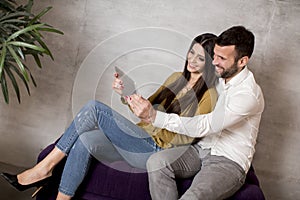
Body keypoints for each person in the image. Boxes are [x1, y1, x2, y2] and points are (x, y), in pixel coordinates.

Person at [1, 33, 218, 200]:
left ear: (210, 62)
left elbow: (191, 135)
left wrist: (156, 120)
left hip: (157, 150)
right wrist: (127, 93)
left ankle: (44, 168)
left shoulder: (209, 95)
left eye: (201, 57)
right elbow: (147, 107)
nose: (192, 60)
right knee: (86, 140)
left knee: (94, 108)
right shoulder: (176, 77)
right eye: (192, 52)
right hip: (139, 137)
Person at [127, 25, 265, 200]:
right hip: (200, 149)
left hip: (228, 160)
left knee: (193, 197)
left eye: (222, 58)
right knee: (157, 162)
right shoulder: (219, 79)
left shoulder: (248, 95)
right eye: (214, 55)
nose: (214, 62)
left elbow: (205, 125)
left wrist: (154, 117)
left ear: (242, 61)